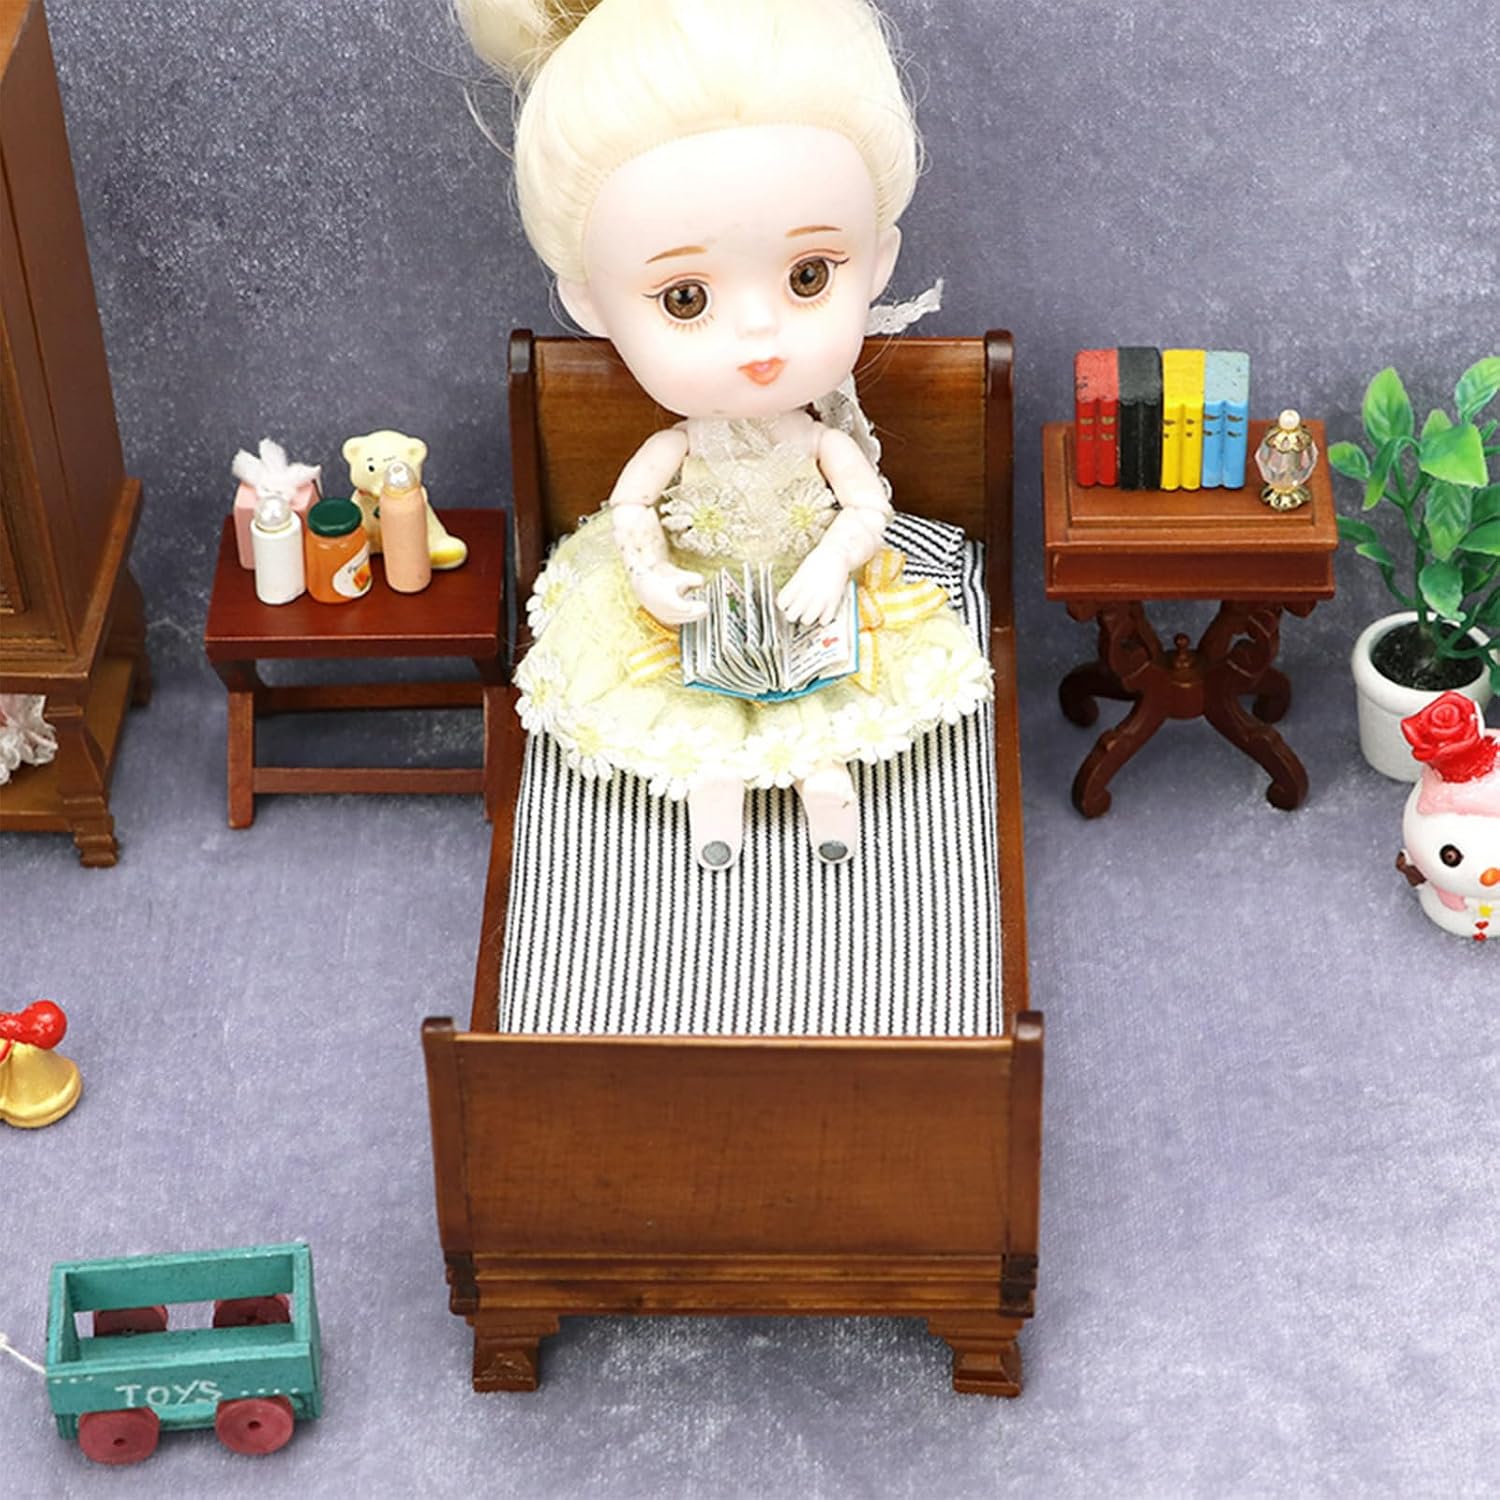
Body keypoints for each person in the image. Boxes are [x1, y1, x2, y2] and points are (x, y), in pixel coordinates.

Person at [459, 0, 992, 868]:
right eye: (686, 298)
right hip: (699, 601)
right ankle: (717, 794)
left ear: (878, 262)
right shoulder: (677, 448)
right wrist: (649, 571)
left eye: (808, 276)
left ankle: (824, 784)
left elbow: (867, 511)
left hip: (808, 596)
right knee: (694, 696)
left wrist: (831, 563)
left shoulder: (819, 444)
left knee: (823, 695)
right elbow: (633, 507)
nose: (758, 335)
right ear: (590, 305)